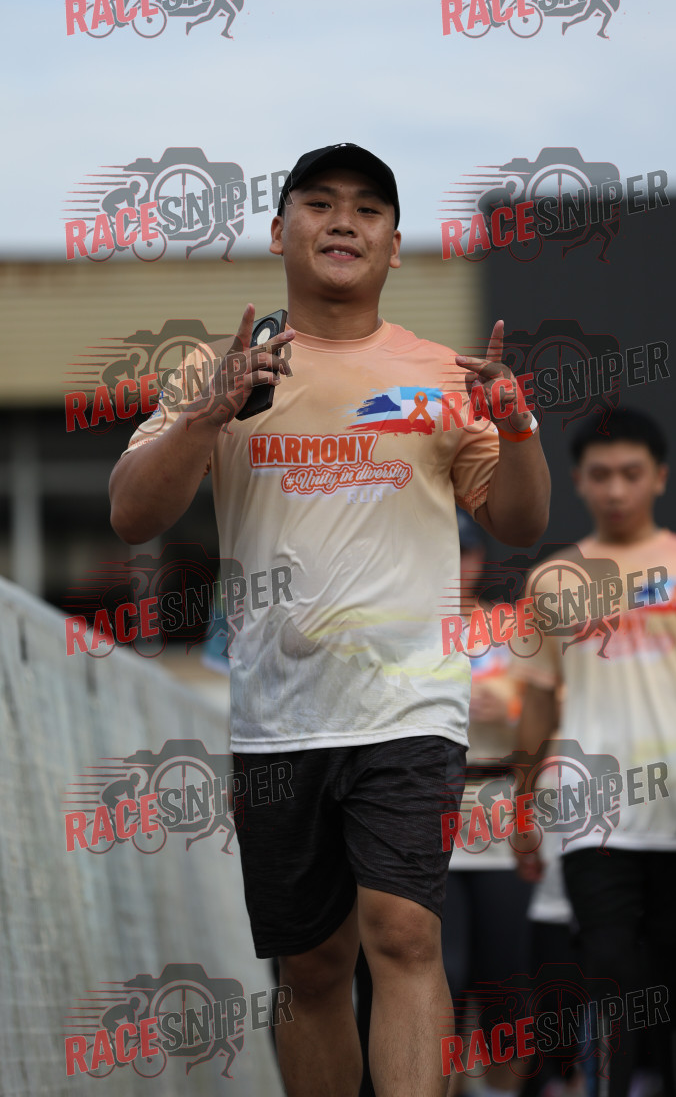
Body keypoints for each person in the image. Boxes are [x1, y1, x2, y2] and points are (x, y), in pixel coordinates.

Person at [109, 142, 550, 1097]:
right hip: (278, 718)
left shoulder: (443, 374)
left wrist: (516, 429)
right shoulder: (220, 369)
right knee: (311, 969)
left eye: (368, 209)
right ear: (279, 232)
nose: (343, 220)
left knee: (405, 933)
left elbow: (519, 522)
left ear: (395, 244)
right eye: (319, 203)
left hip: (410, 707)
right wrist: (207, 417)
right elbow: (132, 513)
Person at [510, 408, 676, 1097]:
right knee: (611, 971)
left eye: (631, 473)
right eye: (601, 475)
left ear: (660, 476)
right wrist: (522, 805)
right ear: (578, 481)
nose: (616, 489)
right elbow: (537, 700)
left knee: (672, 983)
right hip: (593, 818)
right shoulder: (554, 580)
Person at [440, 509, 534, 1096]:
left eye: (464, 551)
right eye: (444, 550)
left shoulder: (511, 627)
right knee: (440, 978)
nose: (455, 564)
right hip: (428, 808)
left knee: (506, 980)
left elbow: (552, 707)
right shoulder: (402, 628)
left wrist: (513, 708)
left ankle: (497, 1089)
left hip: (499, 808)